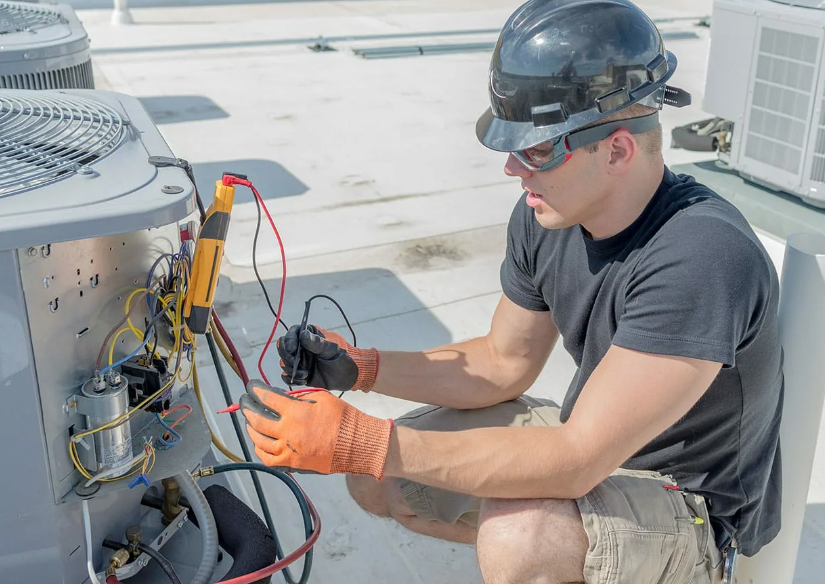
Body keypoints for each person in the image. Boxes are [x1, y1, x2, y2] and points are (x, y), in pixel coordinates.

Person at [238, 1, 785, 583]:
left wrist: (365, 440)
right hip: (595, 446)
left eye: (539, 149)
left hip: (689, 507)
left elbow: (577, 459)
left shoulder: (700, 256)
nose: (511, 169)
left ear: (619, 150)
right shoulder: (549, 212)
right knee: (382, 481)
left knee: (521, 538)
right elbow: (503, 363)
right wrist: (361, 370)